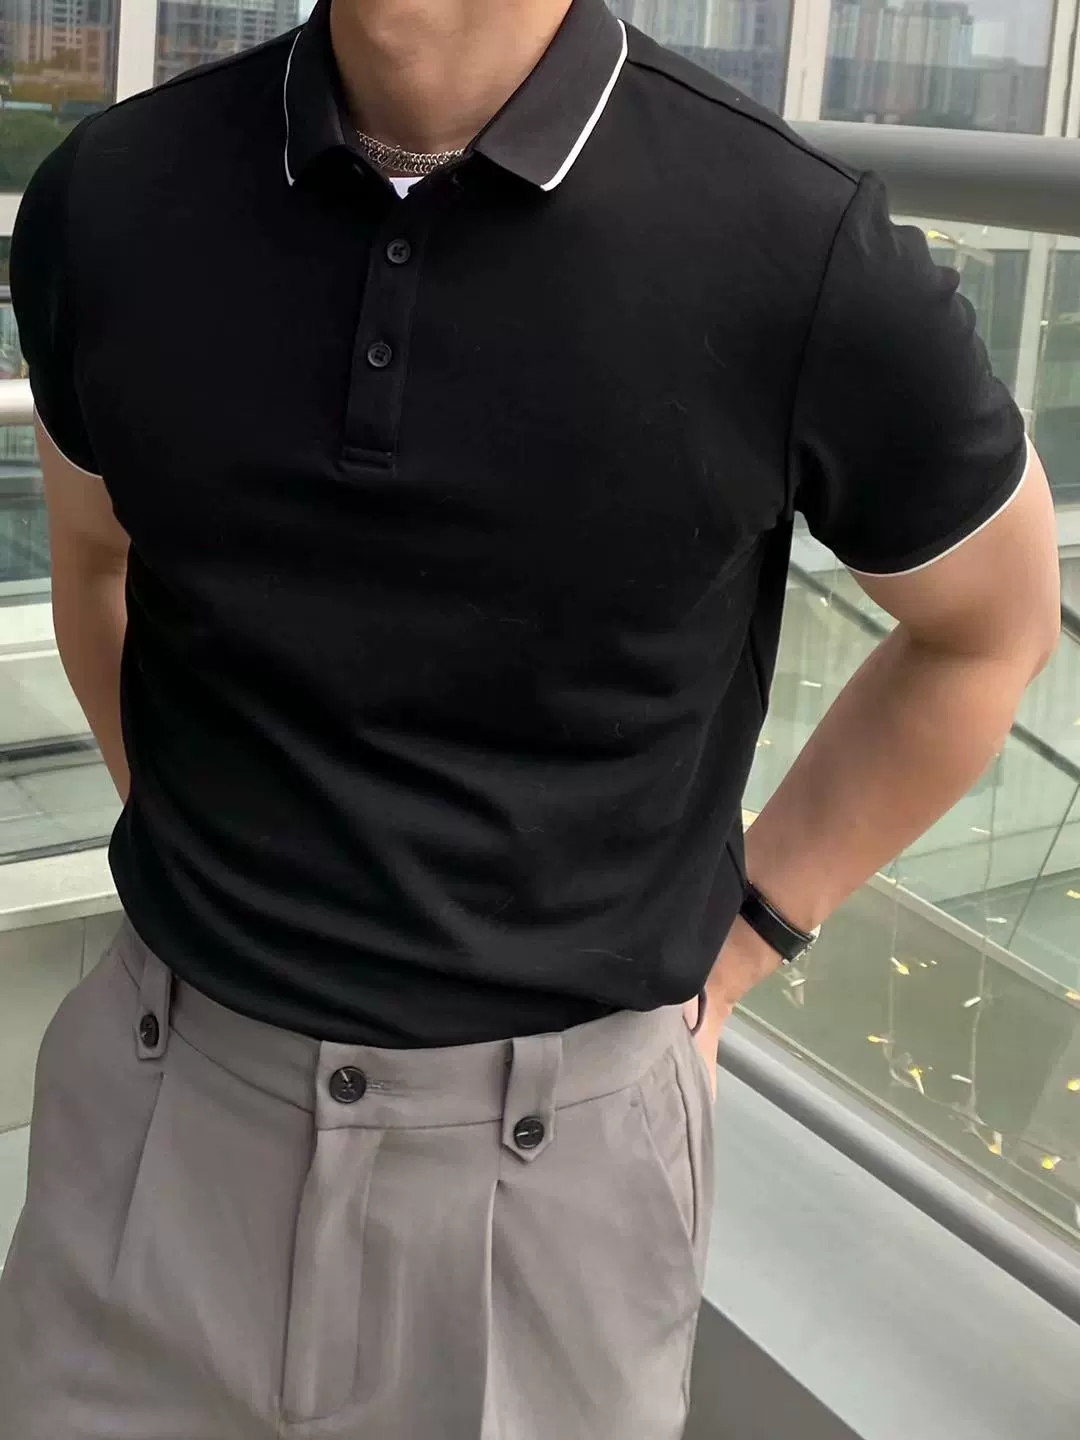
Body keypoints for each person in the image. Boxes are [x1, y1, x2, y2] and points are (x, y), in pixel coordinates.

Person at [0, 0, 1060, 1435]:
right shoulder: (113, 197)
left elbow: (991, 625)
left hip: (551, 1188)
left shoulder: (797, 245)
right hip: (153, 1118)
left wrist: (747, 941)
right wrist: (197, 843)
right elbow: (94, 561)